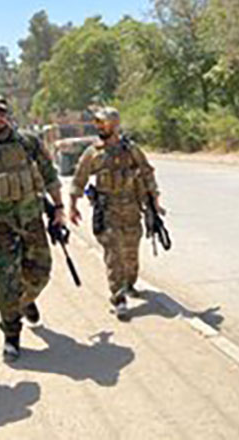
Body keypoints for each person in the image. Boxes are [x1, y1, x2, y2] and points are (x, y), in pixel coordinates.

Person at [0, 94, 66, 362]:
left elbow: (49, 174)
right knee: (6, 281)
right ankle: (11, 334)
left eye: (2, 112)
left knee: (41, 272)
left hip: (32, 220)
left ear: (8, 114)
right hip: (1, 227)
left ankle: (25, 301)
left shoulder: (29, 142)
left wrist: (59, 208)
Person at [69, 107, 163, 321]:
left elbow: (147, 172)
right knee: (114, 254)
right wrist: (72, 205)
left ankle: (129, 284)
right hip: (108, 210)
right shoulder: (93, 152)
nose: (99, 127)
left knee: (131, 253)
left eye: (103, 123)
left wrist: (154, 201)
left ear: (114, 125)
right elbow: (79, 178)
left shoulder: (131, 150)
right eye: (97, 124)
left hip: (131, 209)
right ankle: (118, 297)